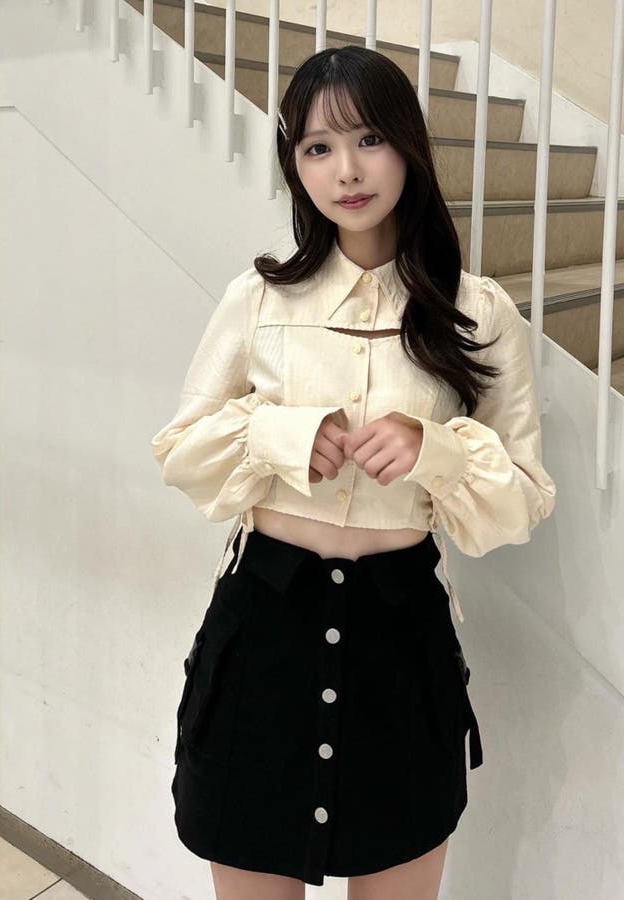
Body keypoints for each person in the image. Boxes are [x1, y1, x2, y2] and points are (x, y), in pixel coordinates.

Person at [151, 46, 556, 900]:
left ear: (408, 145)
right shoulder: (258, 299)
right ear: (296, 165)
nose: (347, 170)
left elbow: (521, 500)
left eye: (369, 138)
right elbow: (181, 450)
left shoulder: (478, 311)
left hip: (400, 642)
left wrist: (435, 450)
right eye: (318, 147)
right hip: (264, 631)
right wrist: (281, 435)